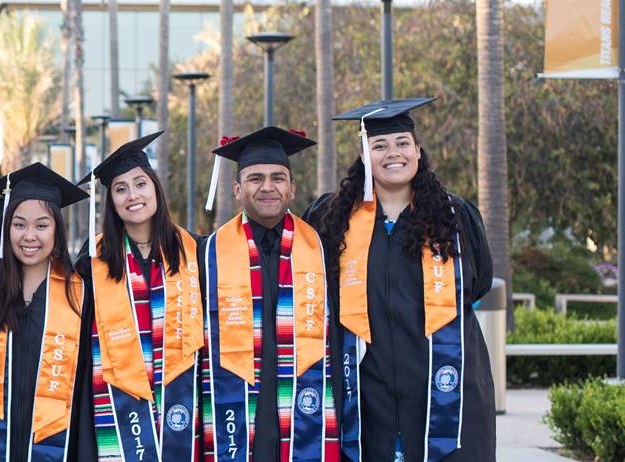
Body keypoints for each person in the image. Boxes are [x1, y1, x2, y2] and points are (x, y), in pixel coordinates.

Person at [307, 98, 495, 462]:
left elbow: (479, 282)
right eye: (379, 145)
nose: (393, 154)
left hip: (445, 385)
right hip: (363, 390)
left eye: (402, 143)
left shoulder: (454, 217)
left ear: (418, 151)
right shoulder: (332, 220)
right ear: (364, 155)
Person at [201, 127, 336, 462]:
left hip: (306, 409)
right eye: (255, 178)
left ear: (292, 189)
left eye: (278, 178)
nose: (267, 187)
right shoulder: (209, 255)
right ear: (236, 189)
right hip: (238, 416)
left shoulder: (320, 250)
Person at [72, 132, 207, 461]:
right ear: (112, 202)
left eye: (140, 184)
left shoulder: (196, 253)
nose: (133, 195)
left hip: (185, 406)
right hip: (117, 415)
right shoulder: (93, 264)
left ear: (155, 189)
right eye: (121, 189)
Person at [0, 162, 89, 462]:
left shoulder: (79, 294)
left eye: (42, 225)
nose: (29, 236)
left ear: (57, 230)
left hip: (55, 442)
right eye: (19, 224)